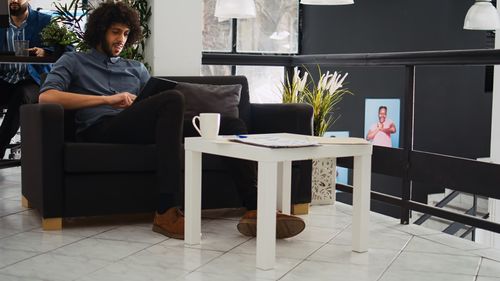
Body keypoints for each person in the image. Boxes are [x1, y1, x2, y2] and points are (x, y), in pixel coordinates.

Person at [39, 2, 305, 240]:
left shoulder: (136, 68)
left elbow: (150, 104)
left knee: (230, 125)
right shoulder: (74, 61)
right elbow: (47, 98)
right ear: (100, 31)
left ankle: (255, 208)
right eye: (115, 32)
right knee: (172, 99)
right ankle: (166, 210)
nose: (121, 39)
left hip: (137, 127)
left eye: (126, 33)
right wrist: (107, 100)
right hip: (101, 128)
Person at [0, 0, 52, 159]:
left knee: (21, 95)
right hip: (5, 78)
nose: (13, 0)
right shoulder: (1, 21)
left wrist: (46, 51)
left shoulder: (44, 21)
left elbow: (68, 48)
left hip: (32, 80)